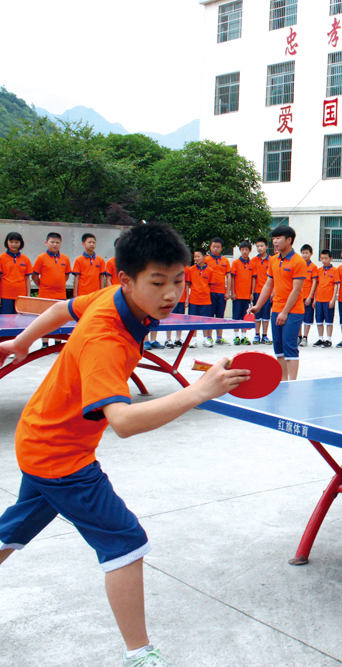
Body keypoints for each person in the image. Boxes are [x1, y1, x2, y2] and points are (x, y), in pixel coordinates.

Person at [0, 222, 248, 667]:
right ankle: (140, 655)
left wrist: (21, 341)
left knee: (14, 530)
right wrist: (199, 391)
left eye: (178, 281)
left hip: (40, 435)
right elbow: (124, 422)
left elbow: (60, 310)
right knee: (125, 542)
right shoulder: (106, 338)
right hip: (59, 454)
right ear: (127, 279)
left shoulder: (113, 298)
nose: (171, 293)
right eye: (158, 283)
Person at [251, 225, 307, 381]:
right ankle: (283, 381)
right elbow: (268, 285)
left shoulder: (298, 262)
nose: (274, 241)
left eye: (278, 238)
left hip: (293, 311)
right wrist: (258, 306)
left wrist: (285, 312)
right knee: (278, 347)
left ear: (289, 240)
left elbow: (296, 291)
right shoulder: (274, 260)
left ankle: (293, 382)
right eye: (273, 238)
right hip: (276, 309)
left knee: (290, 346)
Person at [32, 232, 71, 348]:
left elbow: (67, 274)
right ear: (46, 243)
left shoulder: (65, 258)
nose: (54, 244)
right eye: (52, 242)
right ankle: (45, 343)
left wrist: (59, 284)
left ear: (60, 244)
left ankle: (58, 343)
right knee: (45, 320)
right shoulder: (41, 258)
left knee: (59, 320)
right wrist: (43, 286)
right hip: (45, 294)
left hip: (60, 294)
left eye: (57, 242)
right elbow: (34, 275)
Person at [186, 249, 219, 348]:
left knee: (206, 320)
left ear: (205, 257)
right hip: (193, 299)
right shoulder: (191, 270)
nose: (196, 258)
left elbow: (210, 285)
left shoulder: (210, 270)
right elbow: (188, 284)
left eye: (198, 256)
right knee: (193, 321)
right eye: (195, 256)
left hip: (205, 300)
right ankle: (193, 339)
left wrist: (204, 292)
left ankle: (206, 339)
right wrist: (187, 298)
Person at [204, 238, 232, 345]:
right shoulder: (206, 260)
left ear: (222, 248)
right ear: (210, 247)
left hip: (221, 292)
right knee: (210, 315)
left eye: (218, 247)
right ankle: (209, 337)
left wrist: (228, 291)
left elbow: (228, 276)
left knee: (220, 316)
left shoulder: (225, 261)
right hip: (210, 292)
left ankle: (219, 337)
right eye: (213, 246)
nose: (215, 249)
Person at [230, 241, 256, 345]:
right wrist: (233, 292)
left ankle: (244, 337)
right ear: (240, 250)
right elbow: (232, 278)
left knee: (245, 317)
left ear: (249, 251)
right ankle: (236, 337)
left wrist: (252, 293)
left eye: (246, 249)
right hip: (237, 295)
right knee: (236, 317)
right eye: (242, 249)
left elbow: (253, 279)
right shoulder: (235, 263)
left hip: (247, 295)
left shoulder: (252, 264)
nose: (244, 251)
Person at [1, 232, 32, 315]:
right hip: (5, 296)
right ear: (6, 243)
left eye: (16, 242)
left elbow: (27, 278)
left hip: (21, 296)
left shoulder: (25, 259)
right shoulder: (2, 258)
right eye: (11, 242)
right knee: (6, 320)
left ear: (21, 243)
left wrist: (28, 296)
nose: (14, 244)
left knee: (19, 320)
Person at [313, 249, 338, 347]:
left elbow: (336, 286)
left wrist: (333, 299)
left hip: (328, 299)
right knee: (319, 320)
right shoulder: (319, 270)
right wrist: (314, 299)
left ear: (330, 258)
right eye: (322, 258)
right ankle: (320, 338)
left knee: (329, 321)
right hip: (319, 299)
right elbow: (316, 285)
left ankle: (328, 339)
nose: (324, 260)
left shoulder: (334, 271)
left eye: (326, 258)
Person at [251, 238, 272, 345]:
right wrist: (252, 292)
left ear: (266, 247)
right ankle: (257, 334)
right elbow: (252, 278)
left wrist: (273, 291)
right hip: (257, 291)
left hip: (268, 293)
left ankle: (265, 335)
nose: (259, 248)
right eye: (258, 246)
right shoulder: (253, 260)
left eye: (261, 246)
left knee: (266, 315)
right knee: (257, 315)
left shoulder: (272, 260)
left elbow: (275, 278)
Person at [72, 233, 106, 298]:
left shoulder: (100, 260)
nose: (91, 244)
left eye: (93, 242)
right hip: (82, 293)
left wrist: (102, 292)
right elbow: (77, 278)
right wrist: (75, 293)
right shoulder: (79, 260)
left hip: (96, 293)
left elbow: (101, 277)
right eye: (89, 242)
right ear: (83, 244)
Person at [298, 245, 319, 347]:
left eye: (307, 253)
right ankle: (299, 336)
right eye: (303, 253)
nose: (304, 255)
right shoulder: (299, 265)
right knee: (298, 316)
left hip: (308, 296)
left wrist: (310, 296)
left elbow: (314, 282)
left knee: (307, 317)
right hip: (298, 296)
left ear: (311, 254)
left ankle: (305, 337)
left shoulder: (313, 267)